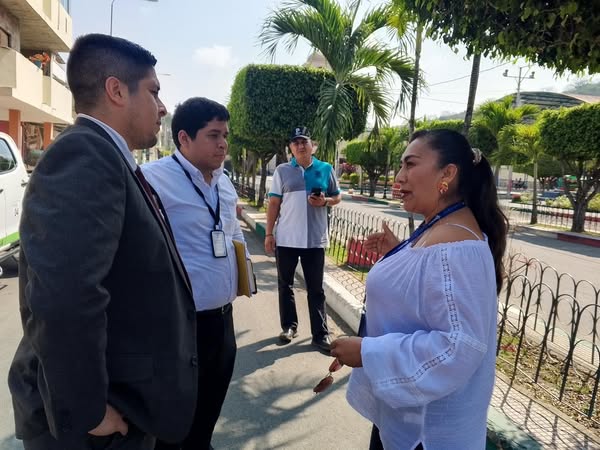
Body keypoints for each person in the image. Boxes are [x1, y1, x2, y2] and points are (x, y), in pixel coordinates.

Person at [8, 34, 197, 450]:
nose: (162, 108)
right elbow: (65, 297)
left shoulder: (106, 156)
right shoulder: (86, 156)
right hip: (96, 427)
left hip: (120, 405)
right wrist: (88, 410)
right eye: (153, 91)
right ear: (116, 91)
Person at [329, 129, 508, 450]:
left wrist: (367, 352)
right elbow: (429, 293)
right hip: (408, 417)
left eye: (410, 164)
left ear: (447, 174)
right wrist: (398, 253)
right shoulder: (444, 226)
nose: (399, 177)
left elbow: (459, 346)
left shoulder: (456, 245)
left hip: (425, 432)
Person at [143, 97, 245, 450]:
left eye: (225, 135)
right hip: (179, 328)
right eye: (213, 135)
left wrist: (243, 273)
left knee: (207, 414)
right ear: (184, 138)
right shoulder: (153, 180)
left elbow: (231, 232)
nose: (223, 144)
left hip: (223, 322)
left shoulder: (224, 182)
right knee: (173, 426)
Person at [265, 126, 342, 351]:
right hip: (286, 239)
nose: (300, 146)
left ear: (312, 146)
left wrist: (325, 201)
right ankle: (289, 326)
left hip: (314, 240)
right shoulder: (282, 171)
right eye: (295, 142)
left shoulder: (325, 168)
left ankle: (320, 334)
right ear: (291, 147)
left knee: (316, 289)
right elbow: (274, 203)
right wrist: (269, 234)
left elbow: (337, 196)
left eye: (304, 142)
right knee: (285, 285)